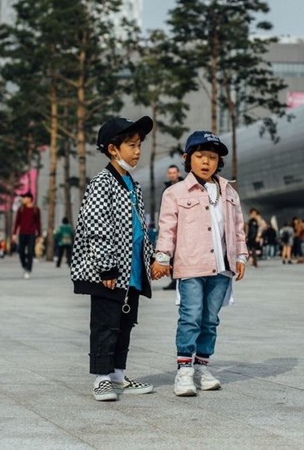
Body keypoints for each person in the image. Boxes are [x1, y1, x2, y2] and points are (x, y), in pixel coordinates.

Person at [153, 130, 248, 397]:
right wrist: (162, 258)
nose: (206, 162)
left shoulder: (229, 191)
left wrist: (241, 255)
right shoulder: (175, 192)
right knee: (191, 317)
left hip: (222, 267)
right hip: (191, 265)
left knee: (210, 320)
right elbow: (167, 229)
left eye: (212, 157)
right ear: (187, 158)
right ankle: (184, 371)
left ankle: (202, 367)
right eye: (200, 156)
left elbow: (238, 227)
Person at [70, 116, 155, 402]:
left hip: (131, 270)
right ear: (112, 149)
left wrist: (149, 259)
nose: (137, 150)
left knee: (125, 323)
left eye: (139, 144)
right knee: (105, 324)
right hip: (109, 272)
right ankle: (101, 378)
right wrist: (107, 267)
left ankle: (118, 374)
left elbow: (140, 228)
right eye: (131, 145)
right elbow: (97, 226)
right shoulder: (102, 183)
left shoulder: (132, 184)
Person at [162, 164, 184, 290]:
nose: (172, 175)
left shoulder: (185, 186)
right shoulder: (166, 189)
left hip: (183, 226)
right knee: (171, 254)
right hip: (171, 225)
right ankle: (174, 280)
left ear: (178, 173)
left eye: (174, 173)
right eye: (170, 173)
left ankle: (181, 279)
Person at [12, 192, 41, 279]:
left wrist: (39, 235)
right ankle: (25, 266)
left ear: (29, 199)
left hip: (31, 233)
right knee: (21, 251)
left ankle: (28, 269)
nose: (23, 199)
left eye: (24, 198)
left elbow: (38, 223)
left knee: (30, 252)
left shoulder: (36, 210)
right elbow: (17, 222)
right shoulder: (21, 209)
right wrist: (14, 233)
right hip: (22, 233)